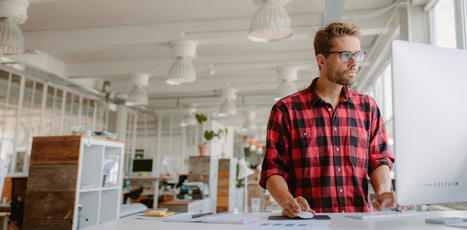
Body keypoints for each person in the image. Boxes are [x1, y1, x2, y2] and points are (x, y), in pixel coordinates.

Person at [259, 22, 402, 217]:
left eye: (358, 55)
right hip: (310, 223)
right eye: (345, 55)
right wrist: (288, 202)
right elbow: (272, 169)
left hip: (360, 223)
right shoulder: (286, 110)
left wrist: (384, 192)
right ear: (321, 60)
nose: (354, 63)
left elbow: (379, 160)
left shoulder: (368, 108)